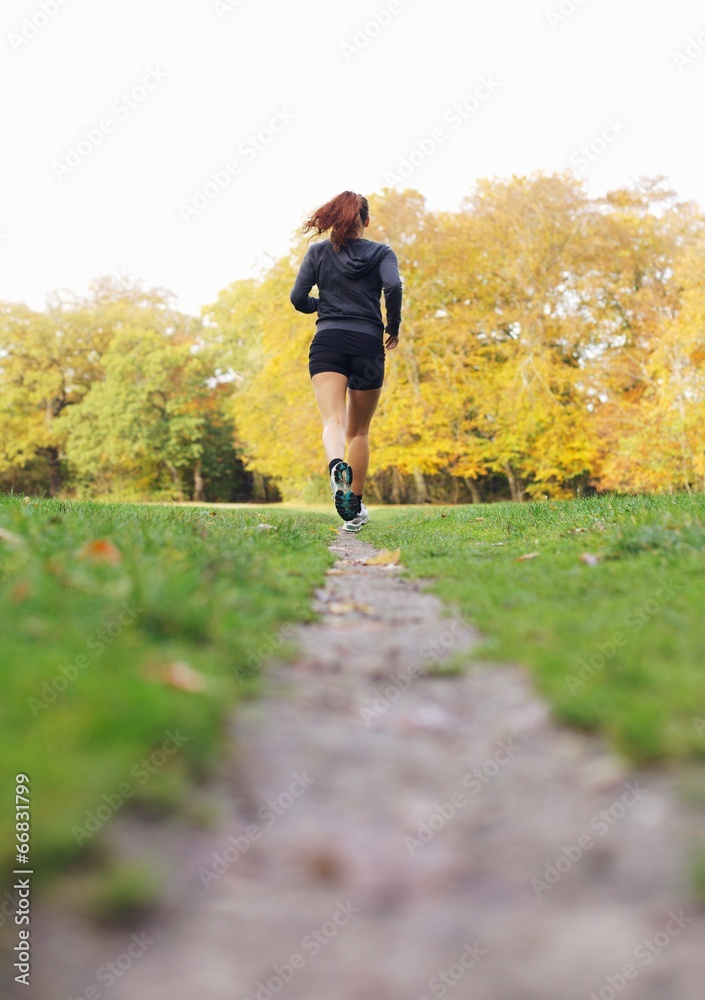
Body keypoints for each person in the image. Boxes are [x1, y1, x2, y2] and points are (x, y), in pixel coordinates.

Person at [290, 191, 402, 532]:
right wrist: (392, 325)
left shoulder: (317, 252)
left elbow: (297, 298)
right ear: (365, 221)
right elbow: (393, 285)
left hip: (329, 342)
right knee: (360, 430)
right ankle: (353, 505)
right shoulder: (382, 252)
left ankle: (336, 464)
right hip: (367, 342)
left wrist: (319, 307)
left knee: (333, 422)